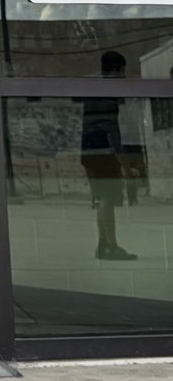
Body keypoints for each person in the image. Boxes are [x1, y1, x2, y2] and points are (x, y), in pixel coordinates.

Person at [80, 50, 137, 261]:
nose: (124, 76)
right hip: (103, 151)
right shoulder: (108, 93)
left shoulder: (93, 89)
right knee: (109, 198)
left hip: (87, 150)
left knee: (101, 199)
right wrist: (123, 162)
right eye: (122, 71)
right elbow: (112, 131)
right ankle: (111, 246)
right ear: (116, 70)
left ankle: (103, 244)